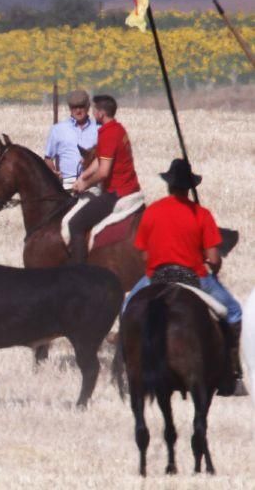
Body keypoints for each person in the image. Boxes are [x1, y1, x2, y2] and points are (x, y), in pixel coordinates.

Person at [123, 158, 244, 394]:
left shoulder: (153, 212)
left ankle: (130, 370)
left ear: (168, 185)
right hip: (195, 276)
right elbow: (214, 259)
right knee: (234, 311)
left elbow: (144, 255)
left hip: (156, 276)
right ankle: (232, 373)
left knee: (128, 309)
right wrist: (212, 265)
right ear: (189, 188)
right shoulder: (202, 214)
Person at [69, 94, 140, 263]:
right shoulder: (117, 129)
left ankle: (79, 273)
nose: (92, 113)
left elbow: (103, 172)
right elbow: (99, 160)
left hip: (117, 193)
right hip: (130, 188)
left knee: (76, 224)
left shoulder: (108, 134)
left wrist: (84, 184)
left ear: (101, 113)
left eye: (94, 110)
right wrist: (83, 176)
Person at [44, 90, 98, 189]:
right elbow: (48, 158)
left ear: (88, 106)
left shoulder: (99, 129)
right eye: (74, 107)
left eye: (81, 106)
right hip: (67, 183)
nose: (78, 111)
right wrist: (53, 172)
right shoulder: (58, 129)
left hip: (93, 182)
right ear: (69, 108)